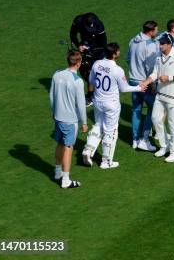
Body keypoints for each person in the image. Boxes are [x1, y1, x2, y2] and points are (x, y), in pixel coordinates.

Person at [81, 43, 144, 169]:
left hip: (98, 101)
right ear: (115, 53)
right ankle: (106, 161)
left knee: (98, 125)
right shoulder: (117, 70)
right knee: (111, 131)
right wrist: (139, 87)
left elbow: (92, 81)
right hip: (111, 105)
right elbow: (124, 88)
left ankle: (88, 150)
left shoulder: (97, 64)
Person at [139, 33, 174, 163]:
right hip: (161, 95)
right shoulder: (159, 57)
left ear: (169, 44)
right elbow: (155, 73)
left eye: (162, 44)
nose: (159, 45)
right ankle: (165, 146)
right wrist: (146, 82)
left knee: (173, 125)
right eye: (159, 43)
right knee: (155, 119)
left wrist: (170, 78)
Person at [50, 50, 88, 188]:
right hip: (70, 121)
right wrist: (84, 122)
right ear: (78, 63)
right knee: (68, 147)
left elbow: (52, 97)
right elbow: (81, 104)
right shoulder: (77, 81)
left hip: (58, 118)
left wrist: (54, 112)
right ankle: (65, 180)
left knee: (60, 144)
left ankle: (57, 172)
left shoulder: (57, 75)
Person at [126, 20, 159, 152]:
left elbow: (128, 58)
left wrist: (134, 70)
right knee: (154, 107)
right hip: (144, 82)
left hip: (133, 81)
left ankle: (135, 140)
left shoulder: (133, 40)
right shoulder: (150, 45)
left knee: (136, 109)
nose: (157, 32)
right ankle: (144, 139)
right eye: (156, 30)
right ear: (151, 31)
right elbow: (150, 67)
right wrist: (150, 83)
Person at [69, 12, 107, 105]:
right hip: (84, 44)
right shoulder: (78, 20)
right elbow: (72, 34)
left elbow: (103, 43)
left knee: (92, 72)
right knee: (84, 71)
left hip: (97, 47)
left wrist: (92, 50)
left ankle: (91, 96)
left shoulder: (99, 25)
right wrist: (78, 46)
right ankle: (93, 91)